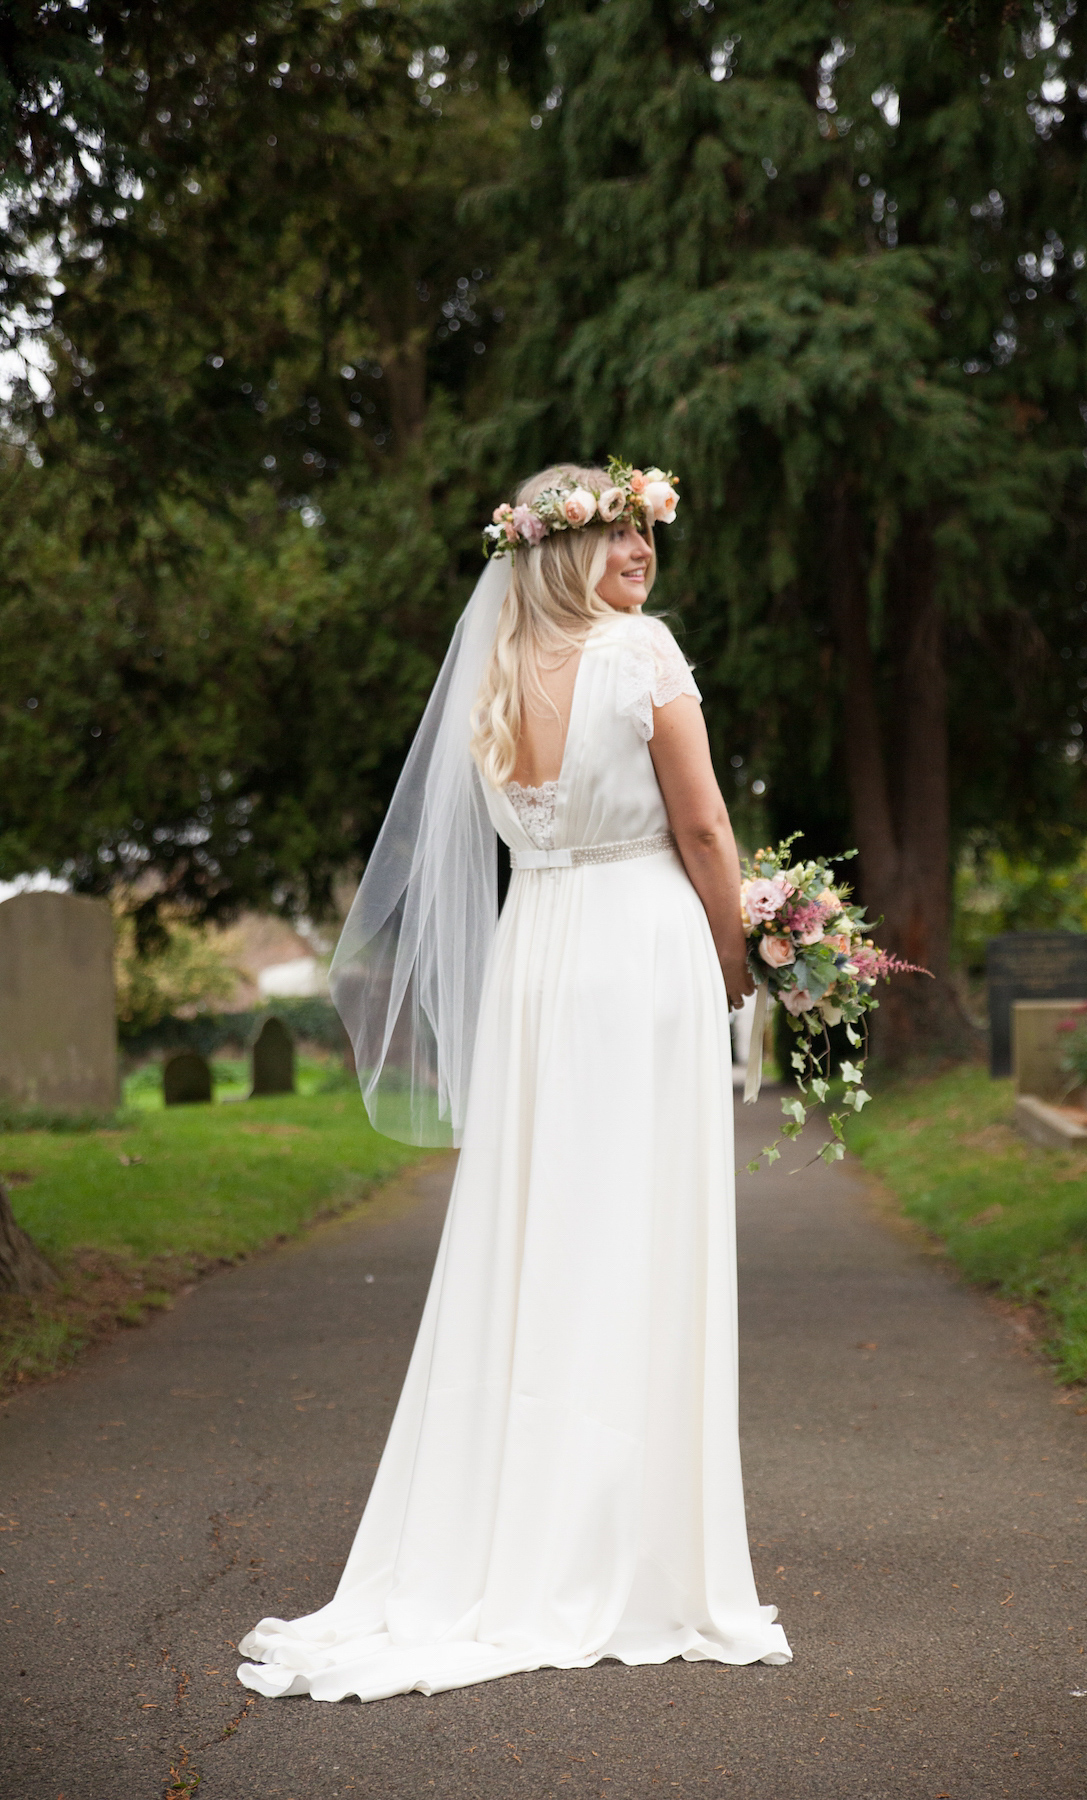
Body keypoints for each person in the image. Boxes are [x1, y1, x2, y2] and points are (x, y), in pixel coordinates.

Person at [237, 460, 792, 1701]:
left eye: (647, 531)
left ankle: (518, 1527)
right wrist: (737, 945)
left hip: (539, 958)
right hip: (641, 950)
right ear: (558, 551)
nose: (642, 552)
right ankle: (625, 1542)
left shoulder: (492, 674)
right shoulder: (640, 655)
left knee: (545, 1234)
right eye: (616, 533)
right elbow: (701, 829)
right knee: (638, 1232)